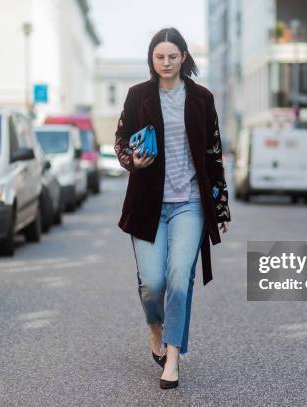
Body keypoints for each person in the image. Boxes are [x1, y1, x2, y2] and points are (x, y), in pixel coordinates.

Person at [114, 27, 231, 390]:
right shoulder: (138, 96)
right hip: (148, 203)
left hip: (191, 205)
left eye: (173, 56)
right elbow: (120, 141)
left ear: (183, 57)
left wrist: (220, 205)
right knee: (153, 284)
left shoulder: (201, 98)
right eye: (159, 56)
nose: (166, 62)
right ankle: (155, 329)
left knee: (180, 280)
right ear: (152, 59)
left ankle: (173, 358)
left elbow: (213, 153)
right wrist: (133, 159)